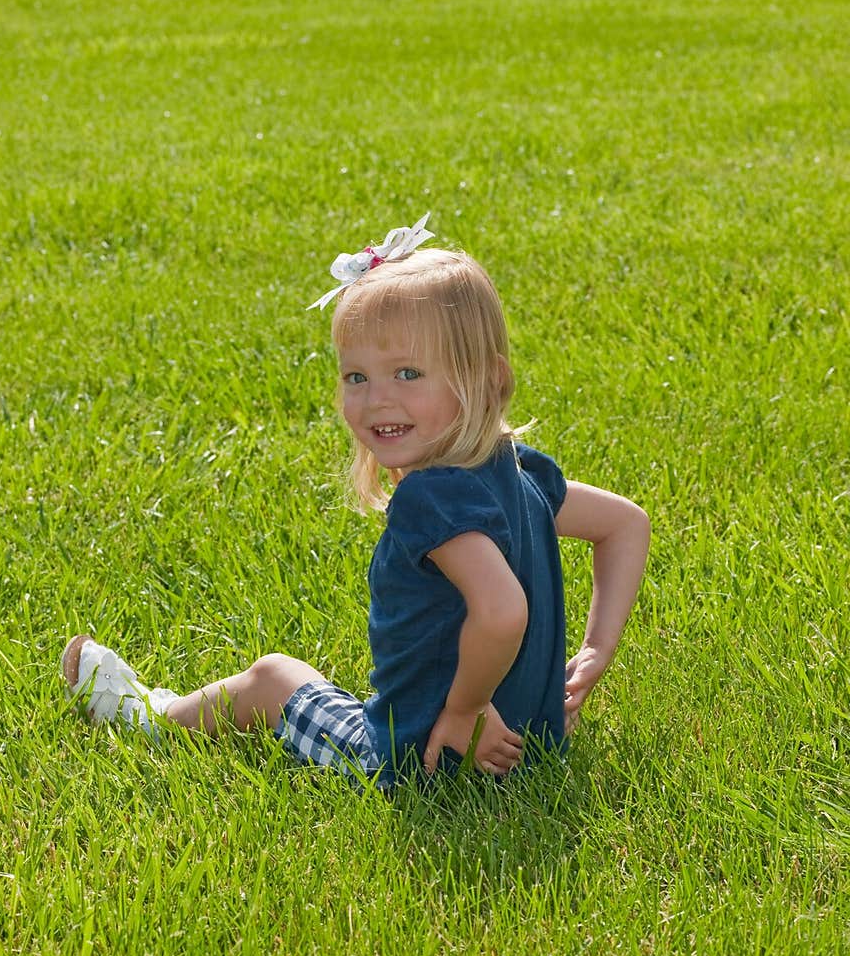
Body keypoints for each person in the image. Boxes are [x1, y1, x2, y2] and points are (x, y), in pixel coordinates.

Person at [61, 213, 650, 788]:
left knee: (273, 678)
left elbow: (502, 612)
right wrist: (594, 651)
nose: (376, 400)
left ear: (487, 381)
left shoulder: (431, 498)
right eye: (357, 378)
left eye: (408, 374)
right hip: (533, 742)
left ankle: (150, 719)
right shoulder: (519, 475)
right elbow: (626, 524)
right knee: (307, 681)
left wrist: (466, 710)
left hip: (417, 756)